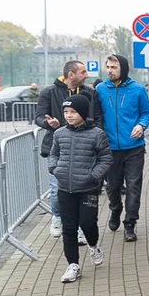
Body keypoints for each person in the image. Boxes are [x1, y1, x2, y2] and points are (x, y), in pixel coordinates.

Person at [48, 95, 111, 283]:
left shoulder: (97, 134)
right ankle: (73, 265)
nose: (68, 115)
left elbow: (106, 159)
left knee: (87, 223)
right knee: (69, 227)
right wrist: (55, 169)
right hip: (65, 188)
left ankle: (93, 245)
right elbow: (54, 154)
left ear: (83, 113)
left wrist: (93, 176)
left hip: (87, 189)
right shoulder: (59, 134)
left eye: (73, 112)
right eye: (66, 112)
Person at [35, 61, 102, 238]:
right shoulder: (49, 92)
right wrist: (48, 123)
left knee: (82, 191)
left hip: (84, 149)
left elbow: (97, 117)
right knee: (57, 189)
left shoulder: (90, 93)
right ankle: (57, 216)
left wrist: (97, 138)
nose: (86, 75)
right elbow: (39, 117)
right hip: (57, 148)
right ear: (71, 74)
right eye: (83, 72)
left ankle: (80, 228)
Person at [95, 54, 149, 242]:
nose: (110, 70)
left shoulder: (137, 90)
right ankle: (115, 209)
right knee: (112, 187)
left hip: (134, 147)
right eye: (108, 67)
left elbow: (146, 112)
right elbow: (96, 116)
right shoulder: (100, 89)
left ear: (123, 69)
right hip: (109, 148)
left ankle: (130, 224)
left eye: (114, 67)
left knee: (134, 186)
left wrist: (141, 125)